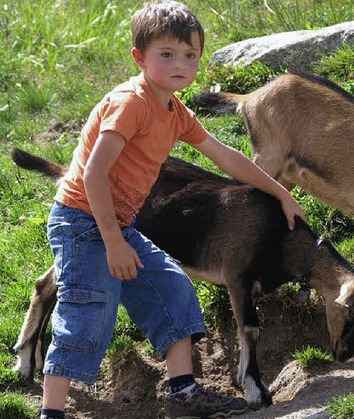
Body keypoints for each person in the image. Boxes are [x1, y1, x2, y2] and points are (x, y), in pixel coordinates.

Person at [38, 1, 306, 418]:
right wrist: (112, 242)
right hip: (81, 221)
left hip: (117, 224)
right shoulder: (131, 103)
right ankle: (51, 411)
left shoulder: (174, 110)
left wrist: (282, 194)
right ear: (139, 57)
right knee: (87, 310)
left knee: (173, 289)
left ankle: (182, 393)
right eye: (167, 55)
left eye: (190, 55)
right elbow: (93, 175)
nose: (180, 64)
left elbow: (226, 157)